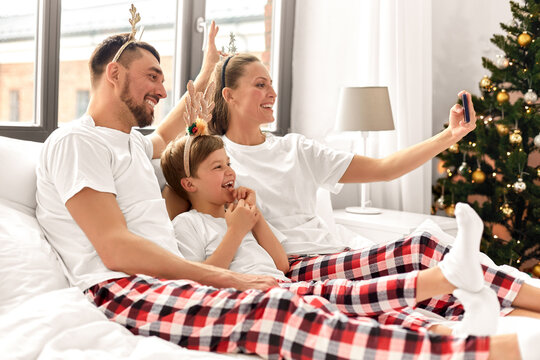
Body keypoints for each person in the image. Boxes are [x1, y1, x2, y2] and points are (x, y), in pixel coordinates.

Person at [33, 12, 531, 358]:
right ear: (113, 74)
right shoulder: (76, 142)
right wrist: (222, 274)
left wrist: (204, 73)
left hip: (175, 276)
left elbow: (173, 135)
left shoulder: (134, 147)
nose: (162, 89)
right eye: (152, 76)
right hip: (122, 286)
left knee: (298, 297)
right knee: (278, 305)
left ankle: (468, 327)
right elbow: (116, 247)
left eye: (164, 78)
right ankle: (489, 348)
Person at [157, 52, 540, 324]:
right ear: (230, 95)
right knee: (422, 247)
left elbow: (385, 169)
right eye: (260, 85)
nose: (272, 91)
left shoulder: (296, 149)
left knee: (439, 293)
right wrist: (197, 119)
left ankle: (518, 320)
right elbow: (175, 181)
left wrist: (450, 136)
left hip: (336, 255)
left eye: (272, 82)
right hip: (297, 267)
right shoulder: (216, 160)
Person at [161, 129, 506, 336]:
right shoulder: (187, 225)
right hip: (257, 294)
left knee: (366, 305)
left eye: (229, 163)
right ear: (189, 183)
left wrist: (256, 220)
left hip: (285, 282)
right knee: (348, 303)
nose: (229, 171)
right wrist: (235, 233)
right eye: (217, 166)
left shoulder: (239, 214)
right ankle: (450, 296)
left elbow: (280, 263)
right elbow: (199, 281)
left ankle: (457, 331)